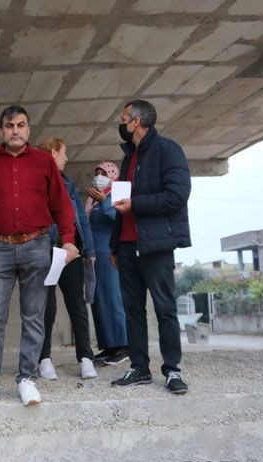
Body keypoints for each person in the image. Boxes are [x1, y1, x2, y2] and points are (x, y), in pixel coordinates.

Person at [0, 106, 77, 407]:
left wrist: (68, 240)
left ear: (29, 129)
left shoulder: (43, 161)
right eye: (9, 125)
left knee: (34, 317)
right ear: (2, 130)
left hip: (36, 245)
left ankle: (27, 379)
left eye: (21, 125)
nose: (15, 130)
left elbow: (61, 204)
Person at [109, 100, 191, 395]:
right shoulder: (129, 157)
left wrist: (135, 204)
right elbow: (122, 204)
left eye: (124, 119)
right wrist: (114, 245)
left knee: (165, 308)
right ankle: (139, 368)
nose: (121, 124)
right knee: (132, 309)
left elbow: (177, 195)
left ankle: (172, 370)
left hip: (156, 246)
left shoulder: (168, 150)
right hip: (128, 246)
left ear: (137, 121)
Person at [36, 137, 98, 381]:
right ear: (52, 152)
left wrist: (89, 250)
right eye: (63, 153)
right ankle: (44, 359)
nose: (67, 158)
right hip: (45, 250)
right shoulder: (36, 181)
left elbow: (80, 218)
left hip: (71, 251)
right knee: (46, 308)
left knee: (77, 307)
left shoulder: (68, 183)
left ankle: (85, 358)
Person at [85, 161, 129, 366]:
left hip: (111, 254)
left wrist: (104, 202)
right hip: (95, 257)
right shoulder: (91, 201)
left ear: (112, 174)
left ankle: (124, 345)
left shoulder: (118, 193)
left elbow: (121, 219)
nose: (99, 176)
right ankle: (109, 345)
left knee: (113, 298)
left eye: (104, 173)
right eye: (97, 173)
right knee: (99, 300)